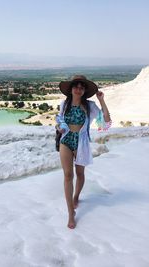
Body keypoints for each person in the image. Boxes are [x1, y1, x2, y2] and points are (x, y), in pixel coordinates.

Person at [56, 75, 111, 229]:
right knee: (68, 175)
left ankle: (76, 197)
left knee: (80, 174)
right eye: (76, 86)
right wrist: (59, 127)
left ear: (85, 90)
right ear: (71, 89)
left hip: (81, 143)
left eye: (82, 87)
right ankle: (70, 213)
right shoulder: (64, 104)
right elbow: (59, 120)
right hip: (66, 141)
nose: (78, 89)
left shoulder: (90, 106)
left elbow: (105, 121)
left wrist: (101, 101)